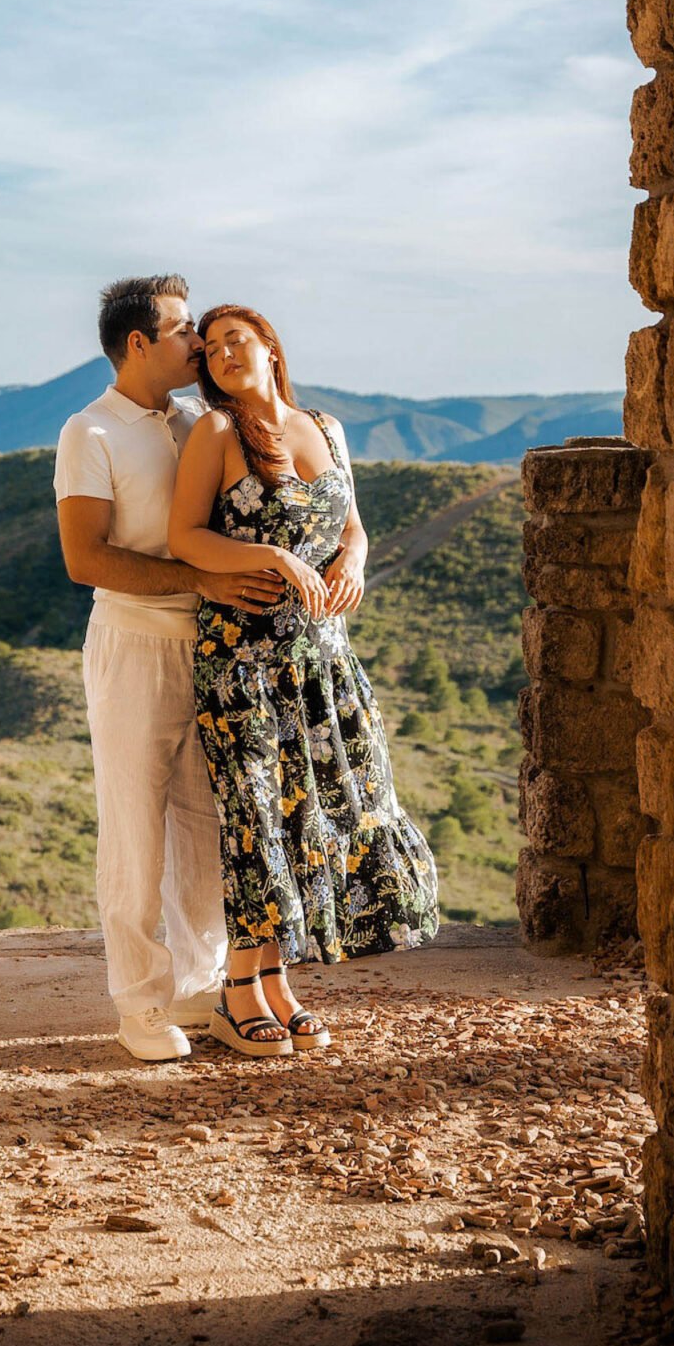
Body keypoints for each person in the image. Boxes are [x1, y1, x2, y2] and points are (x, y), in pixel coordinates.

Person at [168, 303, 439, 1058]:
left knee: (312, 816)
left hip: (322, 660)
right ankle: (235, 995)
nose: (224, 354)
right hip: (245, 661)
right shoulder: (216, 435)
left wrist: (352, 561)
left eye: (237, 341)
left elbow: (350, 521)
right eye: (212, 349)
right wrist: (278, 561)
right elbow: (183, 537)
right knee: (257, 818)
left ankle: (279, 984)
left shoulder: (324, 427)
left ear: (270, 349)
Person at [54, 275, 286, 1063]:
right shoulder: (88, 433)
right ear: (140, 343)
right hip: (134, 648)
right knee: (134, 830)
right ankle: (140, 1006)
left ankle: (204, 988)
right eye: (185, 330)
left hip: (218, 649)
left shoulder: (200, 423)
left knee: (210, 827)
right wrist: (201, 580)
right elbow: (85, 560)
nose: (198, 343)